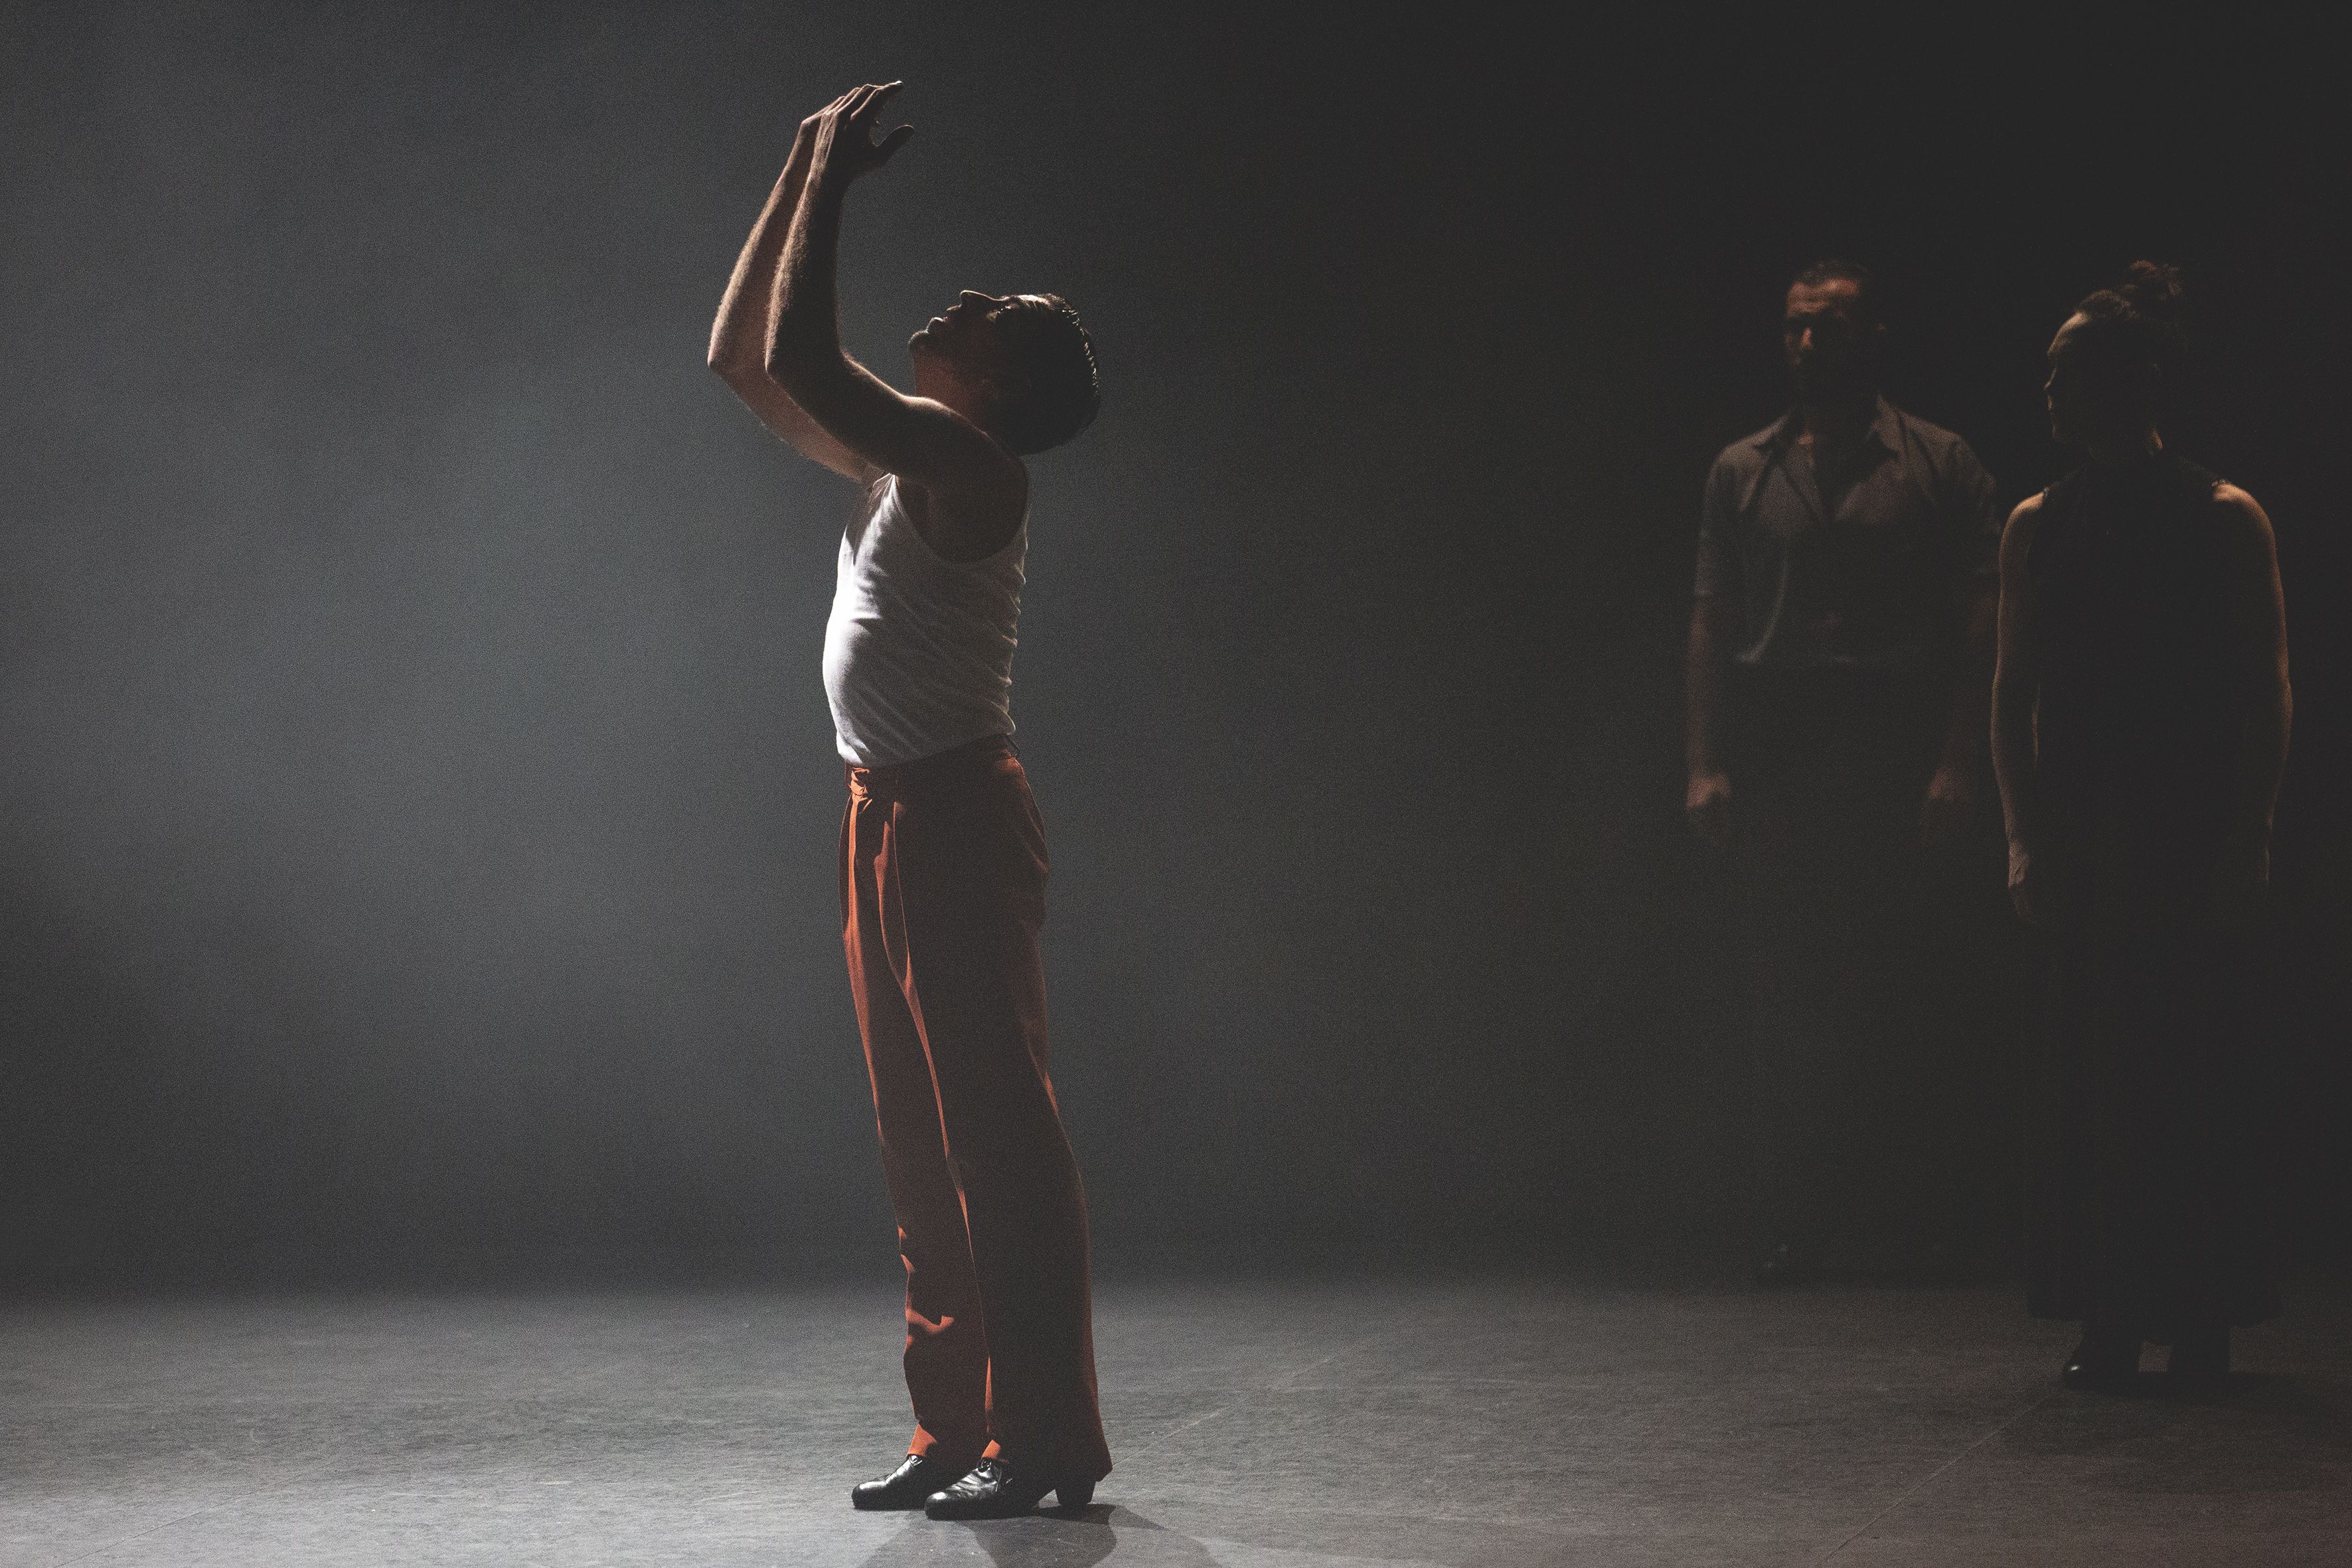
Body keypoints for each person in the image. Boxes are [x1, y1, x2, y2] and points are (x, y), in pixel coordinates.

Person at [706, 82, 1111, 1516]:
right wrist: (793, 164)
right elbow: (744, 361)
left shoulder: (969, 463)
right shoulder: (901, 459)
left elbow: (806, 358)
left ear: (1000, 382)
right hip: (879, 809)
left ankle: (1042, 1438)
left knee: (996, 1140)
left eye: (992, 312)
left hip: (954, 817)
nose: (962, 300)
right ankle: (958, 1422)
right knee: (918, 1143)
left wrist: (830, 183)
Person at [1992, 262, 2291, 1393]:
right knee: (2092, 1079)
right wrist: (2023, 836)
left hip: (2185, 828)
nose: (2050, 392)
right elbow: (2011, 694)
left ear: (2131, 381)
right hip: (2083, 832)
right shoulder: (2038, 524)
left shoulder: (2222, 516)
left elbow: (2266, 688)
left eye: (2068, 372)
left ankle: (2199, 1316)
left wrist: (2250, 833)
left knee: (2190, 1073)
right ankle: (2109, 1314)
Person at [1686, 260, 2005, 1283]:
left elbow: (1986, 619)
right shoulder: (1743, 467)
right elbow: (1712, 620)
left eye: (1827, 327)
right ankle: (1798, 1216)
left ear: (1873, 340)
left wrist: (1958, 757)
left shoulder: (1938, 461)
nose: (1807, 344)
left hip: (1894, 735)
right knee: (1789, 989)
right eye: (1794, 327)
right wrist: (1706, 761)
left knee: (1911, 981)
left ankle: (1924, 1214)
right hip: (1783, 742)